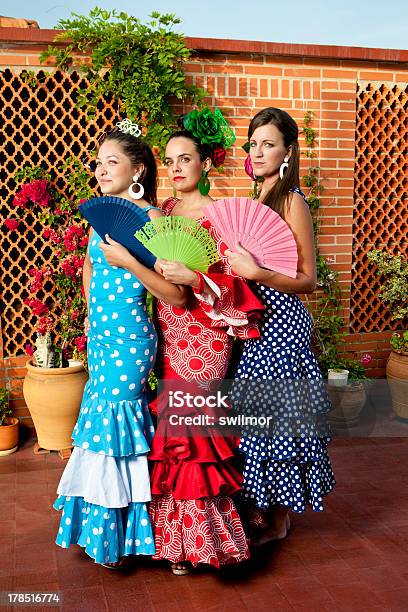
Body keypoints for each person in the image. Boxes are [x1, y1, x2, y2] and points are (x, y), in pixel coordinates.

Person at [54, 121, 187, 568]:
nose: (101, 169)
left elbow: (175, 294)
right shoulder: (103, 213)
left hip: (131, 341)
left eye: (112, 161)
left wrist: (128, 260)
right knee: (99, 428)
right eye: (98, 162)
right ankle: (104, 533)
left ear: (138, 169)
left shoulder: (150, 218)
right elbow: (91, 268)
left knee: (115, 433)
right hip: (102, 338)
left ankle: (117, 540)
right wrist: (92, 308)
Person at [148, 109, 265, 574]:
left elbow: (237, 286)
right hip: (168, 326)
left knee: (197, 425)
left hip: (207, 331)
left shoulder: (222, 217)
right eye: (170, 160)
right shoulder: (163, 213)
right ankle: (176, 539)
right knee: (175, 428)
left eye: (185, 159)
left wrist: (194, 275)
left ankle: (203, 541)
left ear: (206, 165)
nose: (176, 168)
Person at [224, 107, 336, 545]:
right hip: (254, 323)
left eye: (268, 144)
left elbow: (308, 279)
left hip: (282, 327)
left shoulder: (293, 202)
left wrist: (257, 274)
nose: (259, 151)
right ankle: (263, 507)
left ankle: (280, 518)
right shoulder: (256, 201)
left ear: (288, 151)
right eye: (254, 143)